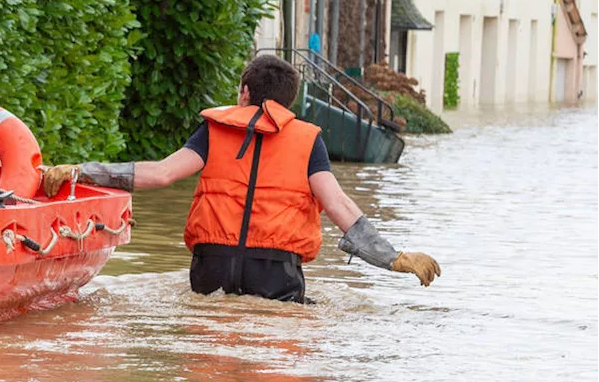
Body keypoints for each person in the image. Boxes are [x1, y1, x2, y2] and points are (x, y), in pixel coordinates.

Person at [41, 54, 440, 303]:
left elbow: (160, 173)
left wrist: (81, 170)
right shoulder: (307, 141)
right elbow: (339, 207)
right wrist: (394, 258)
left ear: (244, 92)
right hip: (274, 272)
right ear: (290, 101)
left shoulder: (214, 130)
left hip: (212, 267)